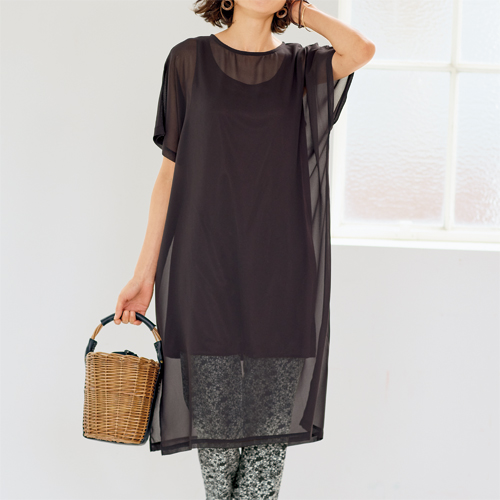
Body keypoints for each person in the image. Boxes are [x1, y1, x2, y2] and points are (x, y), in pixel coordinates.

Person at [114, 1, 374, 498]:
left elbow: (360, 50)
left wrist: (299, 11)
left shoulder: (301, 68)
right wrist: (144, 275)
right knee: (218, 462)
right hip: (204, 274)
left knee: (262, 466)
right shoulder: (187, 60)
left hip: (281, 278)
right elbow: (169, 175)